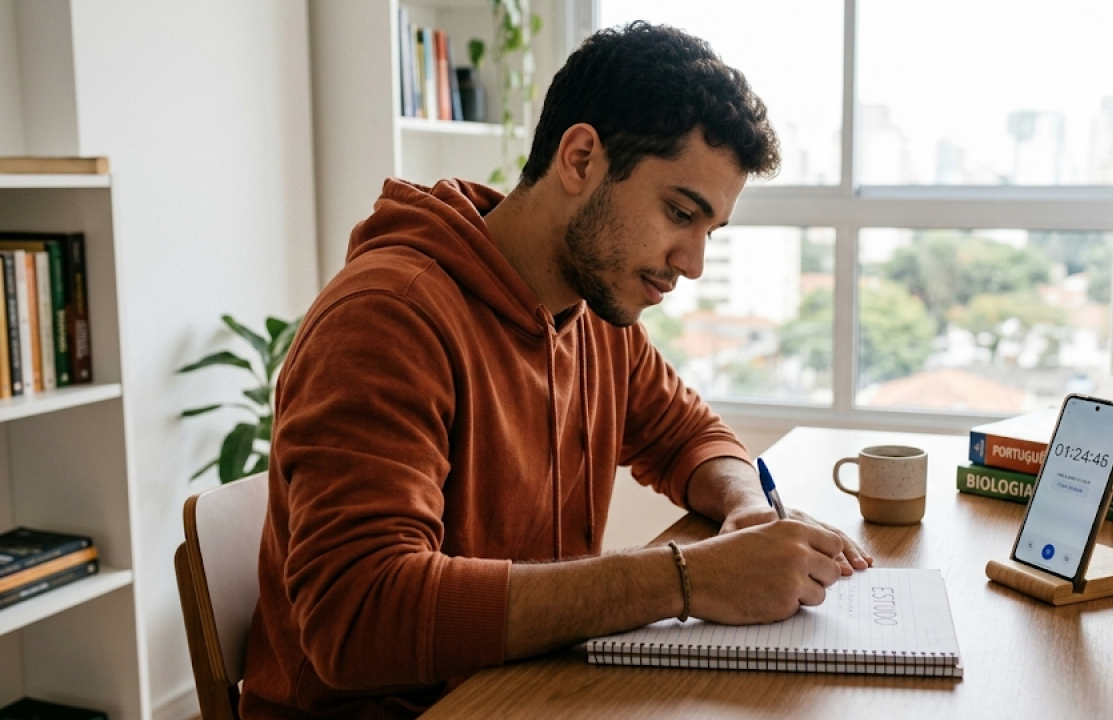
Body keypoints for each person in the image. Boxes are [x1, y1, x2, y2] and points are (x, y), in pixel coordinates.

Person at [240, 20, 873, 719]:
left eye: (708, 232)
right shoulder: (388, 318)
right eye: (678, 213)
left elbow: (689, 435)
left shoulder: (593, 312)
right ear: (580, 159)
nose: (692, 263)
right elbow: (359, 617)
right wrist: (687, 579)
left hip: (531, 692)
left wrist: (745, 503)